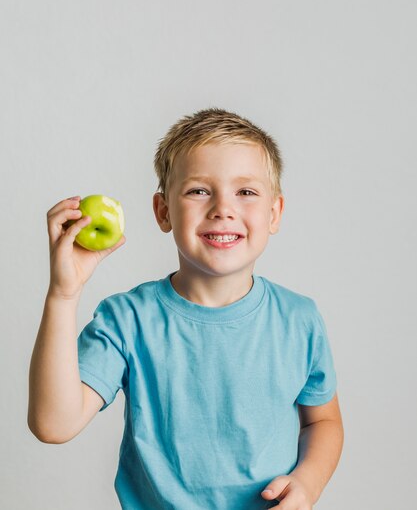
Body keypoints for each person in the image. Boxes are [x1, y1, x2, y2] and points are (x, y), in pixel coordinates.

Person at [28, 107, 344, 510]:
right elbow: (53, 424)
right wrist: (63, 294)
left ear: (274, 212)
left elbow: (323, 421)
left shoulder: (299, 319)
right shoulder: (127, 320)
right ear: (163, 212)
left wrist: (308, 483)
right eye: (198, 190)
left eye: (245, 192)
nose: (222, 209)